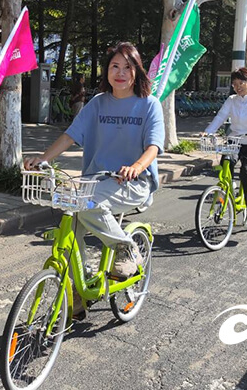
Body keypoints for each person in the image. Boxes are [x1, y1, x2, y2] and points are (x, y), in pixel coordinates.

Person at [24, 42, 164, 284]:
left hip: (133, 182)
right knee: (69, 229)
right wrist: (43, 159)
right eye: (114, 66)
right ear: (106, 70)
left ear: (137, 72)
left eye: (127, 67)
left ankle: (126, 248)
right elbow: (70, 135)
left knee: (88, 206)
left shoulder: (149, 104)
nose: (120, 73)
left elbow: (153, 147)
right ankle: (78, 289)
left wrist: (136, 167)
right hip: (93, 181)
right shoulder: (98, 102)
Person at [203, 68, 247, 229]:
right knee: (225, 166)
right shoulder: (232, 100)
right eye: (234, 84)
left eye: (241, 83)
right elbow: (220, 116)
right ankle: (228, 190)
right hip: (235, 141)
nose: (238, 87)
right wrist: (208, 132)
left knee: (246, 172)